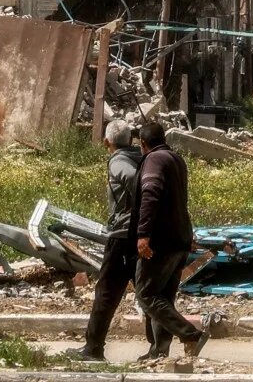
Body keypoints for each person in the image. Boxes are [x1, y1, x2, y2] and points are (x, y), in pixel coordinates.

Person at [133, 120, 209, 361]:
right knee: (164, 297)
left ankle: (190, 334)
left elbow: (150, 194)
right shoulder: (176, 159)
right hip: (180, 238)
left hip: (161, 241)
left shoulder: (154, 160)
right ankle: (159, 350)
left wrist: (143, 234)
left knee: (146, 294)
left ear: (142, 143)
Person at [71, 118, 142, 362]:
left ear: (106, 142)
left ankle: (93, 348)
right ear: (130, 140)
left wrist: (135, 211)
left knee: (105, 292)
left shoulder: (119, 161)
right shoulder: (140, 157)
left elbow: (135, 182)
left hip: (122, 236)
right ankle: (159, 348)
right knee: (147, 293)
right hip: (140, 235)